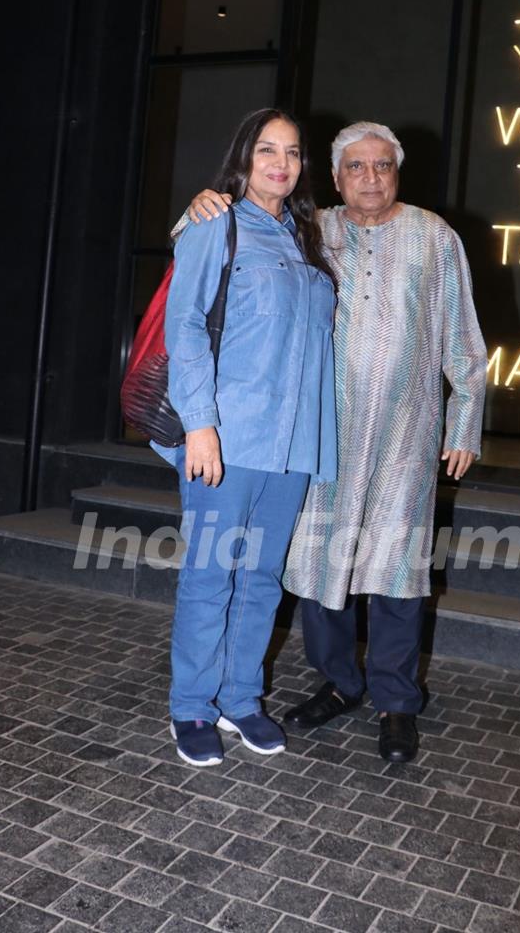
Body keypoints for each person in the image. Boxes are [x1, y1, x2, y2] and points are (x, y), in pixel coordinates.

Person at [184, 120, 486, 763]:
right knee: (319, 563)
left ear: (397, 172)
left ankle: (397, 701)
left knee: (398, 568)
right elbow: (218, 249)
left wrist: (464, 419)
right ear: (336, 176)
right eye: (355, 167)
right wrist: (195, 207)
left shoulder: (435, 236)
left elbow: (464, 335)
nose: (369, 177)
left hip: (408, 432)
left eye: (381, 165)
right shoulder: (311, 228)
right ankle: (341, 682)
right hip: (323, 434)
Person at [154, 108, 337, 768]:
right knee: (210, 576)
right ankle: (192, 707)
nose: (280, 163)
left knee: (260, 579)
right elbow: (186, 328)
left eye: (291, 152)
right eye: (267, 149)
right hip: (225, 438)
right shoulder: (214, 224)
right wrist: (199, 426)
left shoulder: (309, 238)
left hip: (290, 447)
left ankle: (240, 700)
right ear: (244, 156)